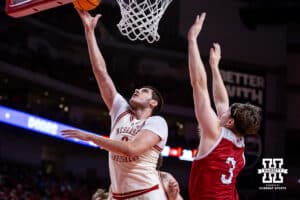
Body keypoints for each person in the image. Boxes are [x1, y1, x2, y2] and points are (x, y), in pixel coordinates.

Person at [62, 10, 168, 200]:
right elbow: (101, 73)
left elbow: (131, 149)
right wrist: (89, 32)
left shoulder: (157, 122)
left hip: (147, 195)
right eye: (138, 89)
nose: (136, 90)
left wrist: (90, 137)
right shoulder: (121, 110)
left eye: (144, 91)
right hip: (118, 196)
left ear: (153, 103)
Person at [187, 13, 262, 199]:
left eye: (227, 112)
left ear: (229, 122)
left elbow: (198, 84)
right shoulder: (240, 145)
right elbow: (221, 101)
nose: (224, 108)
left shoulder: (214, 133)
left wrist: (192, 40)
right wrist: (214, 67)